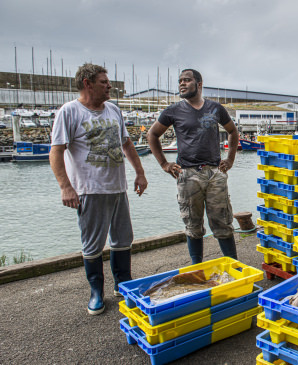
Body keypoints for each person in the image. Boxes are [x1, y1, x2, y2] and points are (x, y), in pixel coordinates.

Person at [50, 63, 148, 315]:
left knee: (123, 239)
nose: (109, 86)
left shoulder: (113, 110)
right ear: (87, 83)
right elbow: (57, 152)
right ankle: (96, 292)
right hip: (89, 191)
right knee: (92, 244)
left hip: (118, 188)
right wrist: (66, 187)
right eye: (104, 82)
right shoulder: (69, 112)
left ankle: (122, 285)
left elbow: (126, 144)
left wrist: (139, 173)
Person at [147, 69, 239, 264]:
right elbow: (152, 135)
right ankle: (196, 267)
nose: (182, 84)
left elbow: (232, 131)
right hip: (187, 174)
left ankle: (235, 265)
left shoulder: (216, 108)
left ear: (199, 84)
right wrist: (164, 163)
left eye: (187, 80)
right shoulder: (173, 111)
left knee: (223, 222)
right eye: (180, 81)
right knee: (193, 224)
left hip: (215, 173)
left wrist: (229, 159)